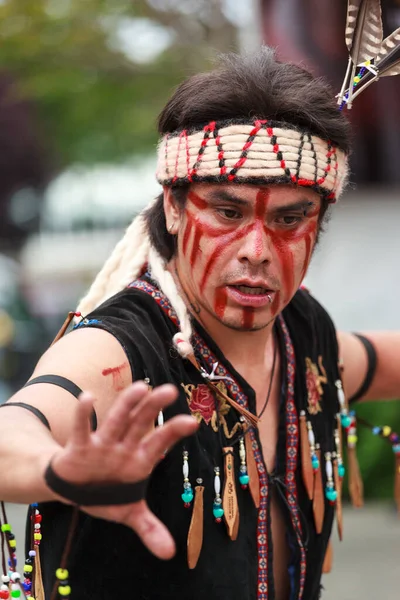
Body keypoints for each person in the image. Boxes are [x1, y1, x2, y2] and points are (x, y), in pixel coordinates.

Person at [0, 48, 399, 600]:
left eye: (290, 218)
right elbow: (13, 429)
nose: (257, 251)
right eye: (228, 212)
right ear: (173, 207)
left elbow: (378, 359)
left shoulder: (303, 337)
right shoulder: (119, 346)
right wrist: (60, 469)